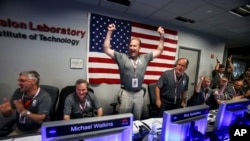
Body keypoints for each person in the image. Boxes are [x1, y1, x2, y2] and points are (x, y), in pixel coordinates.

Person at [103, 23, 165, 120]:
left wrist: (161, 36)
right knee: (123, 118)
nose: (132, 48)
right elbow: (106, 49)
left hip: (139, 93)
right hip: (126, 93)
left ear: (139, 48)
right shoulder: (122, 57)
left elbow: (159, 51)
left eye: (135, 46)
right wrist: (109, 32)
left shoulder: (145, 57)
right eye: (131, 45)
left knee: (137, 118)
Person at [0, 71, 51, 136]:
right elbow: (8, 114)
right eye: (18, 80)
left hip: (39, 131)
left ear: (33, 81)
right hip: (19, 130)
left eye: (22, 81)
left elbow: (40, 120)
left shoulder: (44, 96)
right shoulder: (18, 92)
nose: (18, 83)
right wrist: (6, 112)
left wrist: (23, 111)